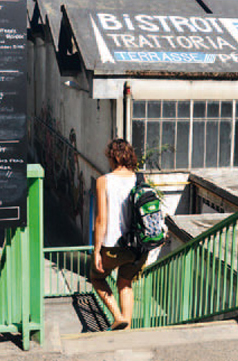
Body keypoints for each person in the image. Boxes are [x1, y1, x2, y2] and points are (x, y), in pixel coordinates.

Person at [90, 138, 148, 331]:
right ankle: (127, 328)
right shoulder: (140, 179)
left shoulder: (104, 181)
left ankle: (117, 316)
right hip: (138, 246)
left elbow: (101, 220)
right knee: (125, 284)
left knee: (97, 278)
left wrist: (97, 250)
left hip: (113, 245)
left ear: (112, 158)